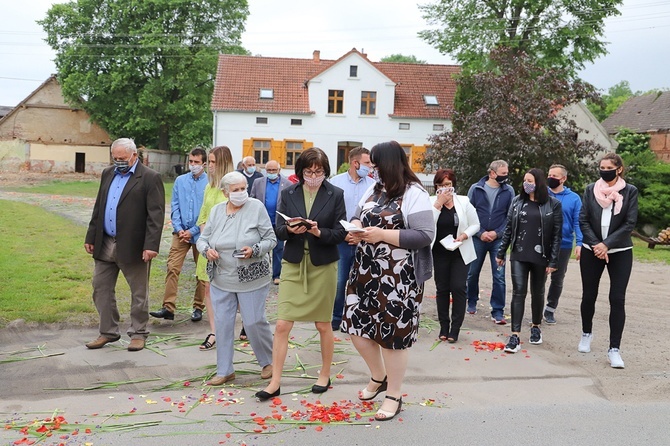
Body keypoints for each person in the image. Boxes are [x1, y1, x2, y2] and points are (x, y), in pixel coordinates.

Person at [341, 141, 434, 422]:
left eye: (376, 164)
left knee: (393, 338)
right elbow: (358, 216)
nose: (372, 169)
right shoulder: (374, 188)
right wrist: (354, 229)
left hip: (398, 276)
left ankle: (394, 394)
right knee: (356, 326)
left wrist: (382, 235)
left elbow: (424, 235)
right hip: (366, 269)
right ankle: (378, 376)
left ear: (389, 164)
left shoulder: (414, 193)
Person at [255, 148, 346, 401]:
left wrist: (318, 232)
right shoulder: (289, 192)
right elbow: (278, 229)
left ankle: (324, 374)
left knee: (323, 324)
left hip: (323, 265)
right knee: (283, 323)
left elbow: (341, 232)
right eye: (308, 171)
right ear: (300, 171)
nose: (314, 175)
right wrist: (291, 230)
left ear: (325, 171)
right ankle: (275, 381)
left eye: (318, 171)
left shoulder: (335, 194)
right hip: (294, 263)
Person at [84, 138, 165, 352]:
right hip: (106, 242)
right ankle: (108, 331)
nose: (118, 162)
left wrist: (151, 245)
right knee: (100, 287)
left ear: (134, 156)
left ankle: (138, 333)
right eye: (115, 158)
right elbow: (99, 207)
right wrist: (91, 236)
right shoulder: (107, 174)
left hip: (135, 245)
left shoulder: (149, 178)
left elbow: (155, 216)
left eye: (122, 158)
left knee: (139, 293)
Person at [197, 171, 276, 385]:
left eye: (243, 189)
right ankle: (224, 370)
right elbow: (202, 239)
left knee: (252, 321)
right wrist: (207, 251)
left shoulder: (256, 208)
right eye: (236, 190)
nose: (241, 193)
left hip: (251, 277)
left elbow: (271, 239)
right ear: (225, 192)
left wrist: (255, 249)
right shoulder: (216, 212)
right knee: (222, 324)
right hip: (222, 277)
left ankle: (268, 362)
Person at [578, 153, 638, 369]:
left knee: (617, 298)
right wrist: (596, 245)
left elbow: (629, 223)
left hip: (620, 250)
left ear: (618, 169)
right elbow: (583, 220)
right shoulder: (589, 190)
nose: (604, 170)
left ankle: (614, 349)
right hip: (591, 249)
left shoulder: (629, 191)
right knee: (589, 294)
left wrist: (607, 245)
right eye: (601, 167)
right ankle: (586, 333)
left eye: (608, 167)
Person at [496, 168, 562, 353]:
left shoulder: (553, 205)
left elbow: (557, 235)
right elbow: (508, 228)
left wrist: (553, 261)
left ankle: (535, 326)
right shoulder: (517, 202)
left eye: (530, 180)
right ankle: (514, 335)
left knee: (538, 292)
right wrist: (501, 253)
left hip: (541, 255)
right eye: (525, 180)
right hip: (519, 253)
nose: (526, 184)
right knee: (518, 292)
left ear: (539, 183)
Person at [150, 148, 208, 322]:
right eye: (191, 161)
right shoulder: (180, 181)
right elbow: (174, 205)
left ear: (204, 163)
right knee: (172, 267)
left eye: (197, 162)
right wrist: (179, 227)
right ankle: (168, 307)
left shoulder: (210, 184)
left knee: (201, 272)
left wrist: (194, 231)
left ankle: (198, 306)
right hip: (180, 232)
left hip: (201, 233)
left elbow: (209, 212)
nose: (193, 165)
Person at [430, 169, 480, 343]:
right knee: (442, 288)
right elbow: (428, 224)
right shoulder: (430, 202)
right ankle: (444, 326)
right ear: (436, 186)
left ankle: (455, 328)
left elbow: (476, 224)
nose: (446, 189)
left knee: (458, 287)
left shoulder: (464, 202)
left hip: (460, 250)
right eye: (442, 185)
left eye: (449, 185)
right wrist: (438, 204)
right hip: (439, 252)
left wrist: (464, 235)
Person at [328, 147, 375, 331]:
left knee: (363, 280)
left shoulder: (373, 185)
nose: (370, 167)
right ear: (355, 163)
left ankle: (358, 318)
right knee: (340, 281)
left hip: (365, 240)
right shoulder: (335, 183)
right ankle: (336, 317)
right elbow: (329, 212)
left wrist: (360, 235)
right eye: (367, 163)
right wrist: (343, 233)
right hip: (341, 239)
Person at [194, 146, 234, 351]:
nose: (208, 166)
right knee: (208, 288)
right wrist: (205, 238)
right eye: (208, 162)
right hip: (207, 247)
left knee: (227, 291)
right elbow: (203, 215)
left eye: (212, 162)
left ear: (223, 163)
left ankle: (232, 328)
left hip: (226, 249)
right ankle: (214, 331)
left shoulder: (232, 188)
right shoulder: (209, 187)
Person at [466, 160, 515, 324]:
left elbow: (510, 216)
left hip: (498, 240)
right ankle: (471, 301)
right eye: (503, 173)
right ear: (492, 173)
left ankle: (498, 310)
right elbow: (468, 213)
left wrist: (497, 233)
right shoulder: (475, 188)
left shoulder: (509, 191)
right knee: (472, 273)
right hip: (478, 238)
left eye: (507, 173)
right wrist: (480, 233)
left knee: (499, 276)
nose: (506, 176)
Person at [544, 164, 583, 324]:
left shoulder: (574, 198)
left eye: (555, 176)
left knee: (557, 278)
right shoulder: (540, 194)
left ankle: (550, 309)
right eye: (549, 175)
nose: (551, 178)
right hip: (542, 242)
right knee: (540, 276)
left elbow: (578, 222)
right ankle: (536, 307)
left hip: (564, 244)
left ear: (563, 178)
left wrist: (580, 243)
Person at [250, 160, 294, 285]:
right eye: (269, 170)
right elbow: (252, 199)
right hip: (262, 222)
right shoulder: (258, 182)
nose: (271, 172)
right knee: (261, 248)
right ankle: (259, 273)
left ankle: (277, 274)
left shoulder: (287, 184)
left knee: (278, 249)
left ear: (279, 171)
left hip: (278, 221)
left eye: (274, 170)